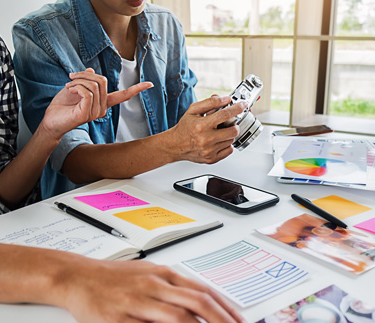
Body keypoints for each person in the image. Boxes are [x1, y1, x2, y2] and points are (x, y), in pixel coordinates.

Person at [0, 0, 250, 323]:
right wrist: (72, 278)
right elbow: (74, 166)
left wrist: (47, 133)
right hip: (44, 244)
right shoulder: (38, 34)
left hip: (3, 244)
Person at [12, 0, 245, 198]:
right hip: (86, 205)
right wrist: (176, 145)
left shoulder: (166, 24)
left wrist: (211, 126)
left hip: (162, 195)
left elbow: (182, 125)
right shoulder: (40, 34)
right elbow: (73, 163)